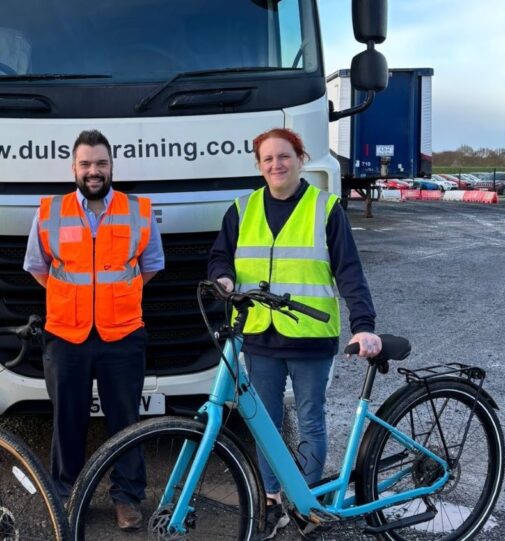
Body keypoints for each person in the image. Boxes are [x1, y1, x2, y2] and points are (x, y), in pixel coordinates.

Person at [208, 128, 381, 539]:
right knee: (264, 423)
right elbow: (218, 257)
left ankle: (307, 501)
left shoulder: (325, 208)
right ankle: (271, 502)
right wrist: (223, 279)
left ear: (301, 159)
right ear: (258, 165)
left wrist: (364, 326)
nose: (276, 165)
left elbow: (349, 271)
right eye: (267, 159)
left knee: (310, 421)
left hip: (309, 335)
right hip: (260, 335)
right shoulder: (242, 208)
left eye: (284, 156)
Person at [23, 129, 164, 530]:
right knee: (67, 420)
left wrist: (112, 297)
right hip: (66, 335)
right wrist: (75, 300)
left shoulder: (138, 210)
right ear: (74, 168)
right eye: (86, 164)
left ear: (111, 166)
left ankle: (127, 498)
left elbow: (150, 265)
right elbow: (38, 267)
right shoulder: (51, 210)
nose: (94, 171)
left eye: (101, 163)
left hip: (122, 334)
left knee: (126, 421)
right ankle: (67, 495)